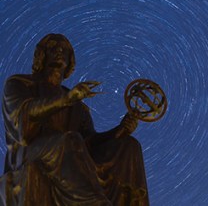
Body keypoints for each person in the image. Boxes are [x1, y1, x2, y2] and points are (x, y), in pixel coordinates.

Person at [0, 33, 149, 205]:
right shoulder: (19, 83)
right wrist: (67, 100)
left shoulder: (77, 103)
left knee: (129, 145)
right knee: (70, 139)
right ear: (41, 54)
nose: (59, 51)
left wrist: (121, 129)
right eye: (53, 47)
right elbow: (23, 116)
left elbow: (90, 141)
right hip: (29, 152)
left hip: (69, 151)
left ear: (70, 59)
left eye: (64, 49)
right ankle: (93, 202)